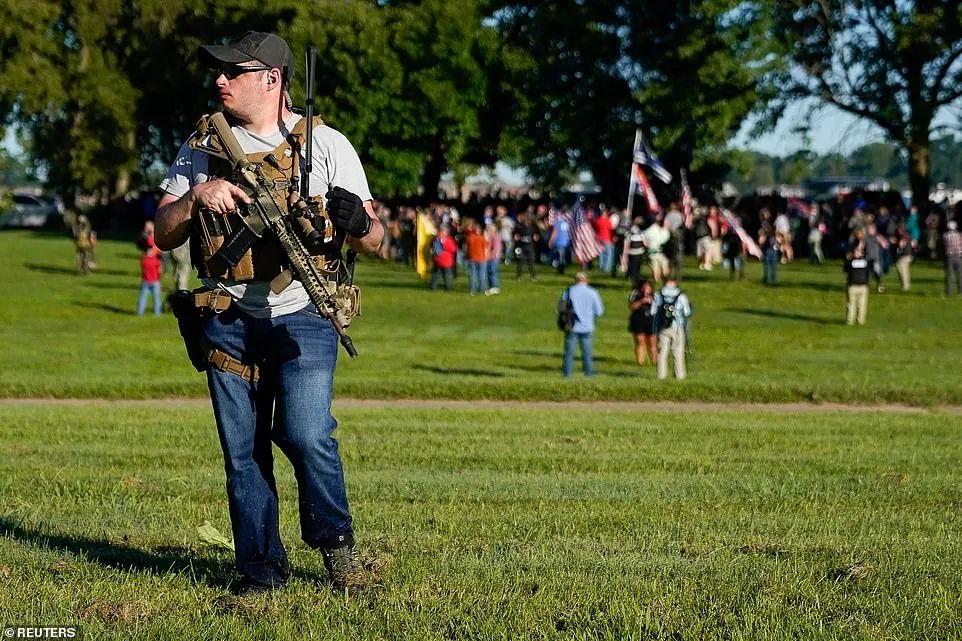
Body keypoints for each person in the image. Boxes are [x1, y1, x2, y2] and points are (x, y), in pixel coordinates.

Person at [153, 31, 384, 594]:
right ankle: (259, 570)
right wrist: (194, 198)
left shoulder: (326, 144)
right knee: (243, 452)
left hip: (305, 310)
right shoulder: (201, 147)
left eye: (234, 71)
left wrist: (356, 222)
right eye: (219, 71)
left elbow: (377, 240)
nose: (220, 80)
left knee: (306, 434)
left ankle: (336, 546)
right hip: (227, 316)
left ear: (272, 80)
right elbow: (162, 231)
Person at [559, 272, 604, 377]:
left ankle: (567, 374)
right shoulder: (593, 292)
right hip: (587, 326)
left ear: (575, 280)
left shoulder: (568, 291)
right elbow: (599, 311)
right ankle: (589, 373)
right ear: (586, 280)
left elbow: (561, 308)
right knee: (587, 353)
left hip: (572, 326)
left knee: (569, 353)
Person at [651, 276, 692, 380]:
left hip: (663, 327)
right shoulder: (681, 295)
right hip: (677, 326)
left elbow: (653, 311)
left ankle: (661, 376)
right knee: (678, 352)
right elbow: (687, 312)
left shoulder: (658, 294)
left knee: (662, 352)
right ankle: (680, 376)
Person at [627, 279, 657, 367]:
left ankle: (654, 361)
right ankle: (640, 362)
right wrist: (641, 301)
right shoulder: (635, 294)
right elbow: (631, 306)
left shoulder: (655, 295)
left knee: (652, 342)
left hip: (651, 321)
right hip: (638, 320)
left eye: (647, 287)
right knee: (640, 341)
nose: (645, 289)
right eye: (643, 287)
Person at [844, 241, 870, 325]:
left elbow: (845, 269)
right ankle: (861, 320)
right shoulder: (865, 262)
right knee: (862, 305)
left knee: (851, 305)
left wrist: (849, 257)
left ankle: (850, 321)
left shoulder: (851, 262)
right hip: (863, 286)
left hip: (852, 286)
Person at [136, 245, 164, 316]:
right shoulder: (156, 261)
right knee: (157, 298)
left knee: (143, 297)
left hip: (145, 281)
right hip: (155, 281)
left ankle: (140, 312)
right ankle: (157, 313)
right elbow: (160, 271)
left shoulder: (144, 260)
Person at [465, 220, 488, 295]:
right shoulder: (482, 238)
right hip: (481, 258)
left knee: (472, 275)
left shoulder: (469, 237)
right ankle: (482, 290)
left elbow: (466, 248)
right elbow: (486, 248)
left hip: (472, 258)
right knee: (482, 275)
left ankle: (472, 290)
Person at [945, 220, 962, 295]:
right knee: (960, 275)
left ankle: (949, 292)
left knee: (949, 275)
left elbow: (945, 244)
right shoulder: (959, 235)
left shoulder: (946, 235)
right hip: (958, 256)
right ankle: (960, 291)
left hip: (950, 256)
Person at [484, 223, 502, 295]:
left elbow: (496, 249)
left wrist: (489, 256)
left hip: (494, 257)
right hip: (489, 257)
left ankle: (495, 287)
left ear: (494, 230)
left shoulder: (495, 237)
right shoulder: (489, 236)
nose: (488, 230)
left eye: (490, 229)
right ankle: (492, 286)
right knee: (490, 272)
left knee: (493, 271)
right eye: (488, 228)